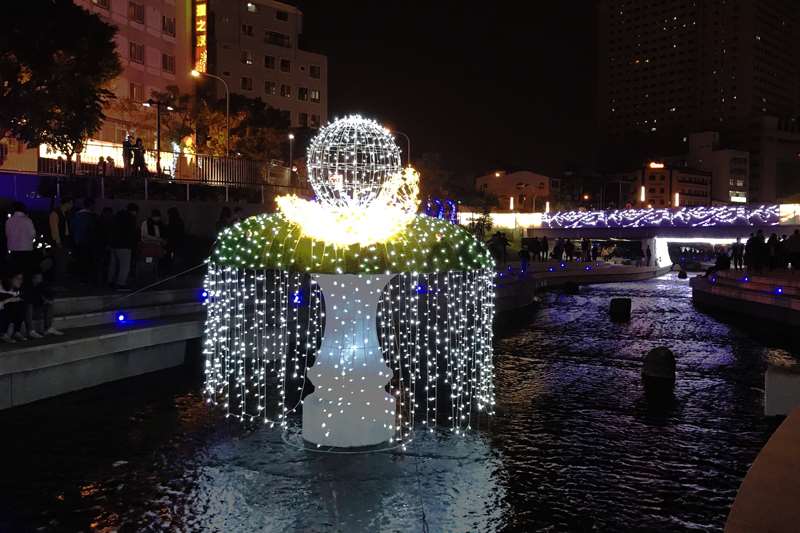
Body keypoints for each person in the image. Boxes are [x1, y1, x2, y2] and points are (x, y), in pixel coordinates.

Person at [109, 203, 139, 291]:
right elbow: (132, 233)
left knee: (113, 264)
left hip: (114, 244)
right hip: (124, 245)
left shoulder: (117, 216)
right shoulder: (131, 218)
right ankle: (120, 284)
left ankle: (110, 281)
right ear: (134, 211)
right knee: (124, 266)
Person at [22, 271, 61, 338]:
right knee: (29, 305)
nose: (41, 280)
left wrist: (45, 299)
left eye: (41, 278)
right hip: (27, 312)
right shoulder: (28, 288)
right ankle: (30, 331)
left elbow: (48, 297)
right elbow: (27, 300)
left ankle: (48, 328)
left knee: (49, 305)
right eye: (39, 278)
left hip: (36, 310)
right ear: (33, 279)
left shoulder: (42, 286)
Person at [5, 202, 37, 279]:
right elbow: (33, 234)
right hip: (26, 248)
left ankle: (14, 287)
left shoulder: (9, 221)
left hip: (13, 249)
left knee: (14, 270)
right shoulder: (27, 220)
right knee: (25, 270)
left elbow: (7, 234)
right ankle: (25, 287)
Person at [71, 198, 98, 284]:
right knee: (88, 260)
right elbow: (92, 229)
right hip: (87, 241)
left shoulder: (76, 215)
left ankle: (81, 278)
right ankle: (86, 278)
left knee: (81, 260)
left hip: (78, 241)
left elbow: (73, 227)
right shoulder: (90, 216)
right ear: (91, 205)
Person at [48, 197, 73, 285]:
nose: (72, 206)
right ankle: (59, 282)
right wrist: (58, 241)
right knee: (60, 261)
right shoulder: (55, 213)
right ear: (67, 203)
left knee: (63, 261)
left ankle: (61, 281)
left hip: (64, 239)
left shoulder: (65, 213)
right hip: (59, 240)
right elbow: (54, 228)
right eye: (71, 203)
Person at [0, 269, 26, 342]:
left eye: (21, 279)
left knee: (20, 303)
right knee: (8, 306)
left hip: (7, 308)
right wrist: (8, 300)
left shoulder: (15, 289)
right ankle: (2, 333)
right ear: (10, 279)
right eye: (18, 279)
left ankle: (16, 331)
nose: (21, 281)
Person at [165, 207, 185, 273]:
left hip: (173, 242)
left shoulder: (172, 221)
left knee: (172, 257)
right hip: (179, 242)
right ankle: (177, 271)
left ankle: (171, 270)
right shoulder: (180, 221)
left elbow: (169, 232)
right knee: (177, 257)